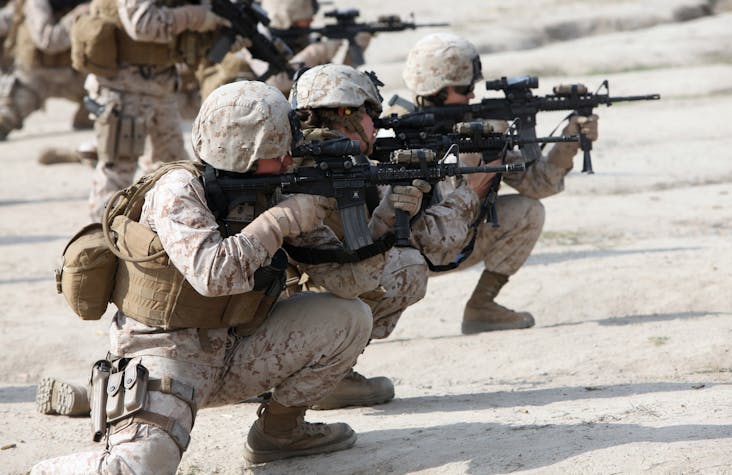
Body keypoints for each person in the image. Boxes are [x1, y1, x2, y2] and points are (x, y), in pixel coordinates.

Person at [30, 81, 373, 473]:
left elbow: (350, 283)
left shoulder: (276, 188)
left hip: (235, 347)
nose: (287, 160)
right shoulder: (179, 191)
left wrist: (387, 221)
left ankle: (280, 433)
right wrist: (282, 221)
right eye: (278, 152)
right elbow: (213, 274)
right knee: (141, 466)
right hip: (165, 356)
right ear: (245, 153)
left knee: (350, 317)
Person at [285, 64, 474, 409]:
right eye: (373, 115)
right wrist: (469, 191)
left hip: (263, 318)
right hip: (298, 315)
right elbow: (431, 244)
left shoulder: (287, 160)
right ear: (349, 117)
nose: (378, 124)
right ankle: (328, 377)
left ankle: (289, 372)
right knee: (408, 266)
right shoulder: (334, 171)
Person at [390, 32, 599, 334]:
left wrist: (570, 139)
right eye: (464, 89)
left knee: (528, 210)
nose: (472, 96)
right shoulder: (391, 134)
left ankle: (482, 307)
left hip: (459, 241)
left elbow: (539, 185)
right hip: (404, 253)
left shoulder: (479, 130)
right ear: (435, 90)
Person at [77, 0, 229, 221]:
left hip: (160, 85)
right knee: (118, 170)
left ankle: (166, 231)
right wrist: (196, 16)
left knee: (173, 166)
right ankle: (100, 242)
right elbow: (142, 25)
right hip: (123, 88)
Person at [0, 0, 91, 141]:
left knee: (115, 108)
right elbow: (48, 41)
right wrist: (77, 16)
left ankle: (87, 115)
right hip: (36, 79)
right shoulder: (36, 3)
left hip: (76, 76)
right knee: (5, 118)